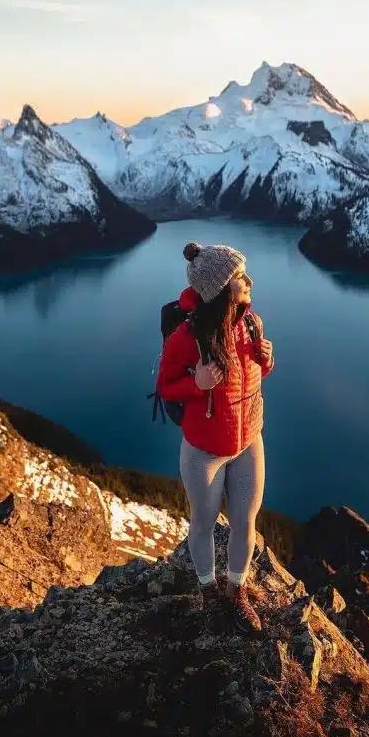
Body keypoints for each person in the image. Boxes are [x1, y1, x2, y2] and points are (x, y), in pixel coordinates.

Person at [157, 241, 274, 633]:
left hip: (248, 442)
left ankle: (237, 591)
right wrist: (196, 382)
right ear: (222, 288)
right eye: (241, 277)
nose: (249, 282)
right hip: (204, 451)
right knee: (204, 522)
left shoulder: (252, 323)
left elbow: (257, 377)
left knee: (245, 520)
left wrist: (267, 358)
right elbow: (165, 388)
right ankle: (209, 591)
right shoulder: (187, 338)